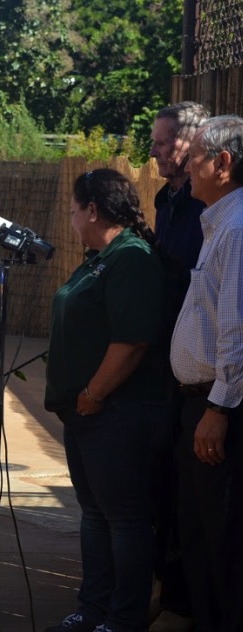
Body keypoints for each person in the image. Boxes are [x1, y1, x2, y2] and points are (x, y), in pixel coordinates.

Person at [43, 169, 166, 632]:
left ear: (92, 210)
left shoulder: (130, 259)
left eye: (74, 211)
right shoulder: (100, 257)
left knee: (125, 520)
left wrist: (93, 395)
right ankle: (93, 608)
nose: (72, 221)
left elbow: (132, 341)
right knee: (95, 515)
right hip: (86, 418)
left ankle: (123, 617)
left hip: (115, 414)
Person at [170, 114, 243, 632]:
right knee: (199, 537)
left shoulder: (237, 230)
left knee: (224, 543)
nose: (184, 165)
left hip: (219, 409)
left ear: (222, 163)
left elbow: (237, 332)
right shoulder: (220, 222)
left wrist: (218, 408)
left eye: (194, 156)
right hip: (200, 403)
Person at [147, 101, 209, 632]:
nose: (154, 151)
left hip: (205, 375)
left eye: (164, 143)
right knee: (162, 481)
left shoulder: (212, 208)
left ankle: (186, 602)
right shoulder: (166, 198)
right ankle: (165, 590)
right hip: (166, 360)